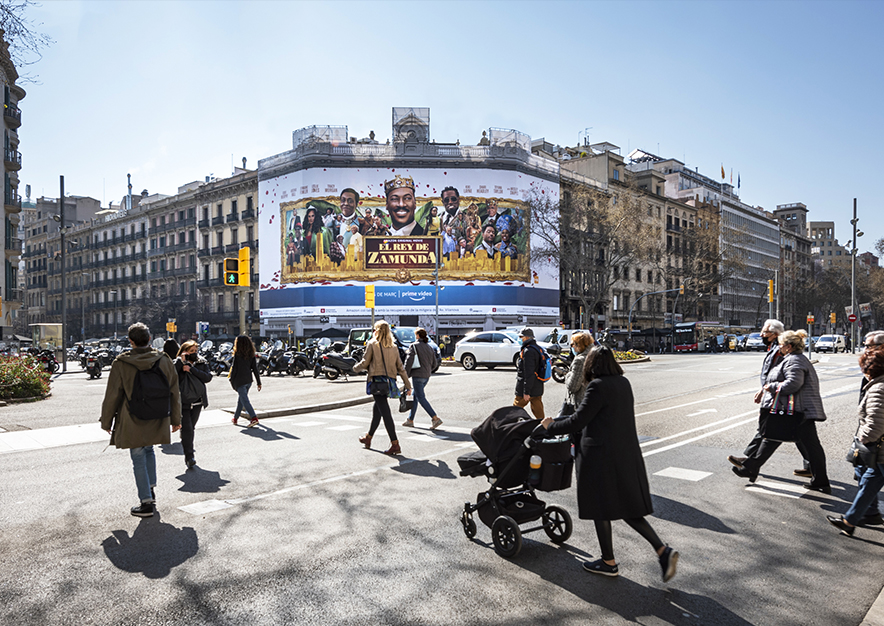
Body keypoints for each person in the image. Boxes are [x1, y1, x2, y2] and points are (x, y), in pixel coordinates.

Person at [541, 346, 679, 581]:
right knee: (627, 507)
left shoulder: (597, 386)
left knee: (599, 506)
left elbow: (579, 420)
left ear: (591, 364)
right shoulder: (623, 383)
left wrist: (550, 426)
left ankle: (609, 561)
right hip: (624, 454)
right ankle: (661, 550)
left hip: (600, 457)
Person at [100, 322, 182, 518]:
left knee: (137, 456)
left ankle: (146, 503)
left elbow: (112, 395)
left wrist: (106, 422)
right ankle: (150, 489)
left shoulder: (121, 363)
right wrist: (176, 419)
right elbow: (174, 391)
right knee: (149, 449)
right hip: (158, 415)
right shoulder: (164, 360)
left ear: (131, 341)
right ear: (150, 339)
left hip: (132, 417)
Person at [732, 330, 830, 492]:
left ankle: (750, 467)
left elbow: (793, 383)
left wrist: (771, 387)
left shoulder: (794, 361)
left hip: (797, 410)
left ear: (789, 346)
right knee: (803, 445)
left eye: (781, 345)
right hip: (798, 410)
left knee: (775, 438)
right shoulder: (795, 359)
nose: (779, 347)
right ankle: (820, 480)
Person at [728, 319, 810, 477]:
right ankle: (812, 467)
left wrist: (766, 389)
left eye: (764, 332)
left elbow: (780, 375)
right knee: (796, 433)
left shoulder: (781, 350)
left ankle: (750, 463)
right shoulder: (775, 348)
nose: (761, 335)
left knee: (771, 430)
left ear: (775, 334)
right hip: (779, 395)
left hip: (782, 397)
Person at [827, 345, 884, 536]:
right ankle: (849, 521)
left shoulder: (879, 388)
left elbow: (876, 422)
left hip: (880, 447)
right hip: (880, 451)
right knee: (868, 483)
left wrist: (863, 437)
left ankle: (851, 520)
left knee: (869, 482)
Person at [353, 320, 412, 455]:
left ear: (377, 331)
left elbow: (365, 362)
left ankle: (395, 444)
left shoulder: (372, 344)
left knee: (385, 412)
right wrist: (408, 385)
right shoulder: (393, 347)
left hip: (377, 382)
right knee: (378, 410)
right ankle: (368, 438)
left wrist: (354, 368)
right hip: (388, 383)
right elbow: (401, 368)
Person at [175, 340, 212, 469]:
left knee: (191, 428)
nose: (194, 353)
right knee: (188, 429)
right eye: (191, 351)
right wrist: (181, 362)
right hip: (183, 402)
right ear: (184, 351)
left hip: (198, 401)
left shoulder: (201, 362)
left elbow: (207, 377)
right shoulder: (177, 363)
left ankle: (186, 440)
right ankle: (189, 457)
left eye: (195, 351)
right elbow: (171, 376)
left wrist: (192, 369)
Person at [402, 328, 442, 430]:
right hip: (426, 376)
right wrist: (428, 371)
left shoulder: (414, 346)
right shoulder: (429, 347)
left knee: (420, 398)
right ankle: (410, 420)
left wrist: (405, 375)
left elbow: (409, 361)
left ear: (418, 336)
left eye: (415, 335)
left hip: (417, 375)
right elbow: (434, 363)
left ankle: (435, 418)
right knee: (415, 397)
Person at [229, 335, 262, 428]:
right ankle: (235, 418)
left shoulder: (237, 355)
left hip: (239, 380)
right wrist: (259, 382)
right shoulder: (251, 354)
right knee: (241, 400)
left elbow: (234, 368)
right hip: (248, 380)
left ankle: (254, 418)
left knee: (244, 400)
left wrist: (231, 380)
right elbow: (255, 369)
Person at [514, 328, 545, 419]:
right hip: (537, 385)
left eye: (521, 337)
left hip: (526, 387)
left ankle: (512, 425)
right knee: (538, 412)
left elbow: (529, 372)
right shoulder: (538, 348)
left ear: (527, 337)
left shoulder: (528, 351)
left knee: (514, 410)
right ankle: (544, 425)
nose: (520, 339)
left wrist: (526, 391)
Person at [565, 331, 594, 411]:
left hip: (582, 403)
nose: (572, 347)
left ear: (579, 345)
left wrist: (567, 375)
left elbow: (573, 386)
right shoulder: (595, 355)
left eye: (572, 344)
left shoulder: (580, 360)